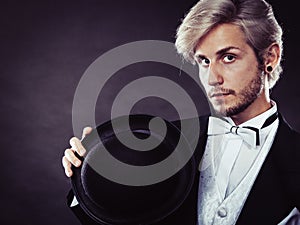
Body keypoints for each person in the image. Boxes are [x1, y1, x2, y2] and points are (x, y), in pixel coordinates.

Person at [62, 0, 300, 224]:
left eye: (228, 57)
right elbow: (124, 217)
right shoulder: (164, 141)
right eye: (204, 61)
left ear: (270, 57)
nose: (212, 79)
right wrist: (88, 173)